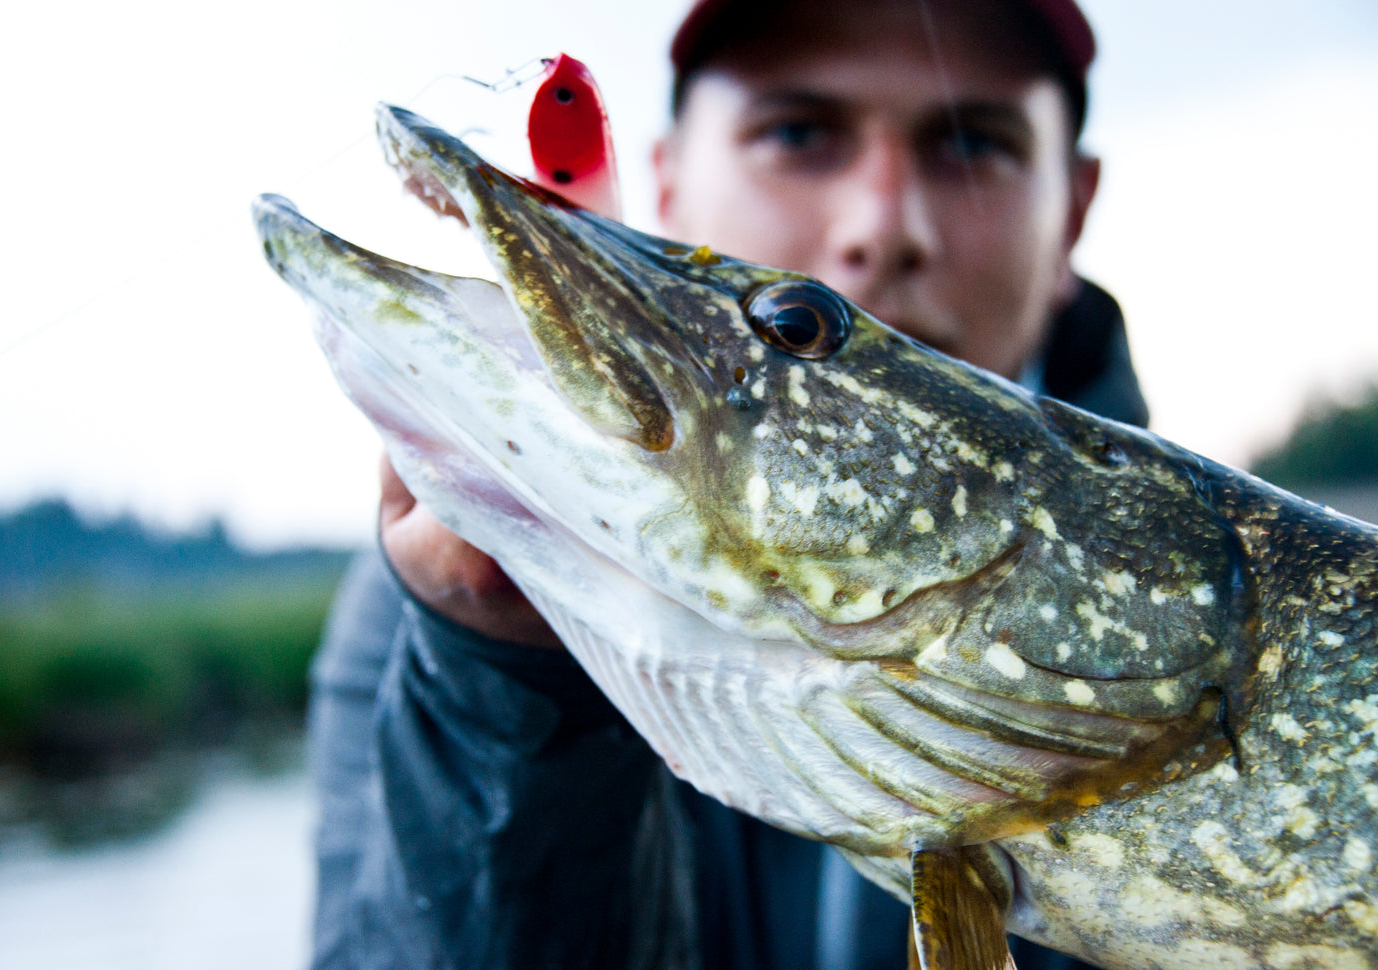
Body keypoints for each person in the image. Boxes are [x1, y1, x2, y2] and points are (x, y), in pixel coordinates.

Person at [307, 0, 1145, 966]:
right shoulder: (426, 614)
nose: (883, 225)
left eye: (972, 145)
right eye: (797, 133)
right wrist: (505, 682)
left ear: (1072, 211)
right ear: (668, 184)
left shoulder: (1223, 599)